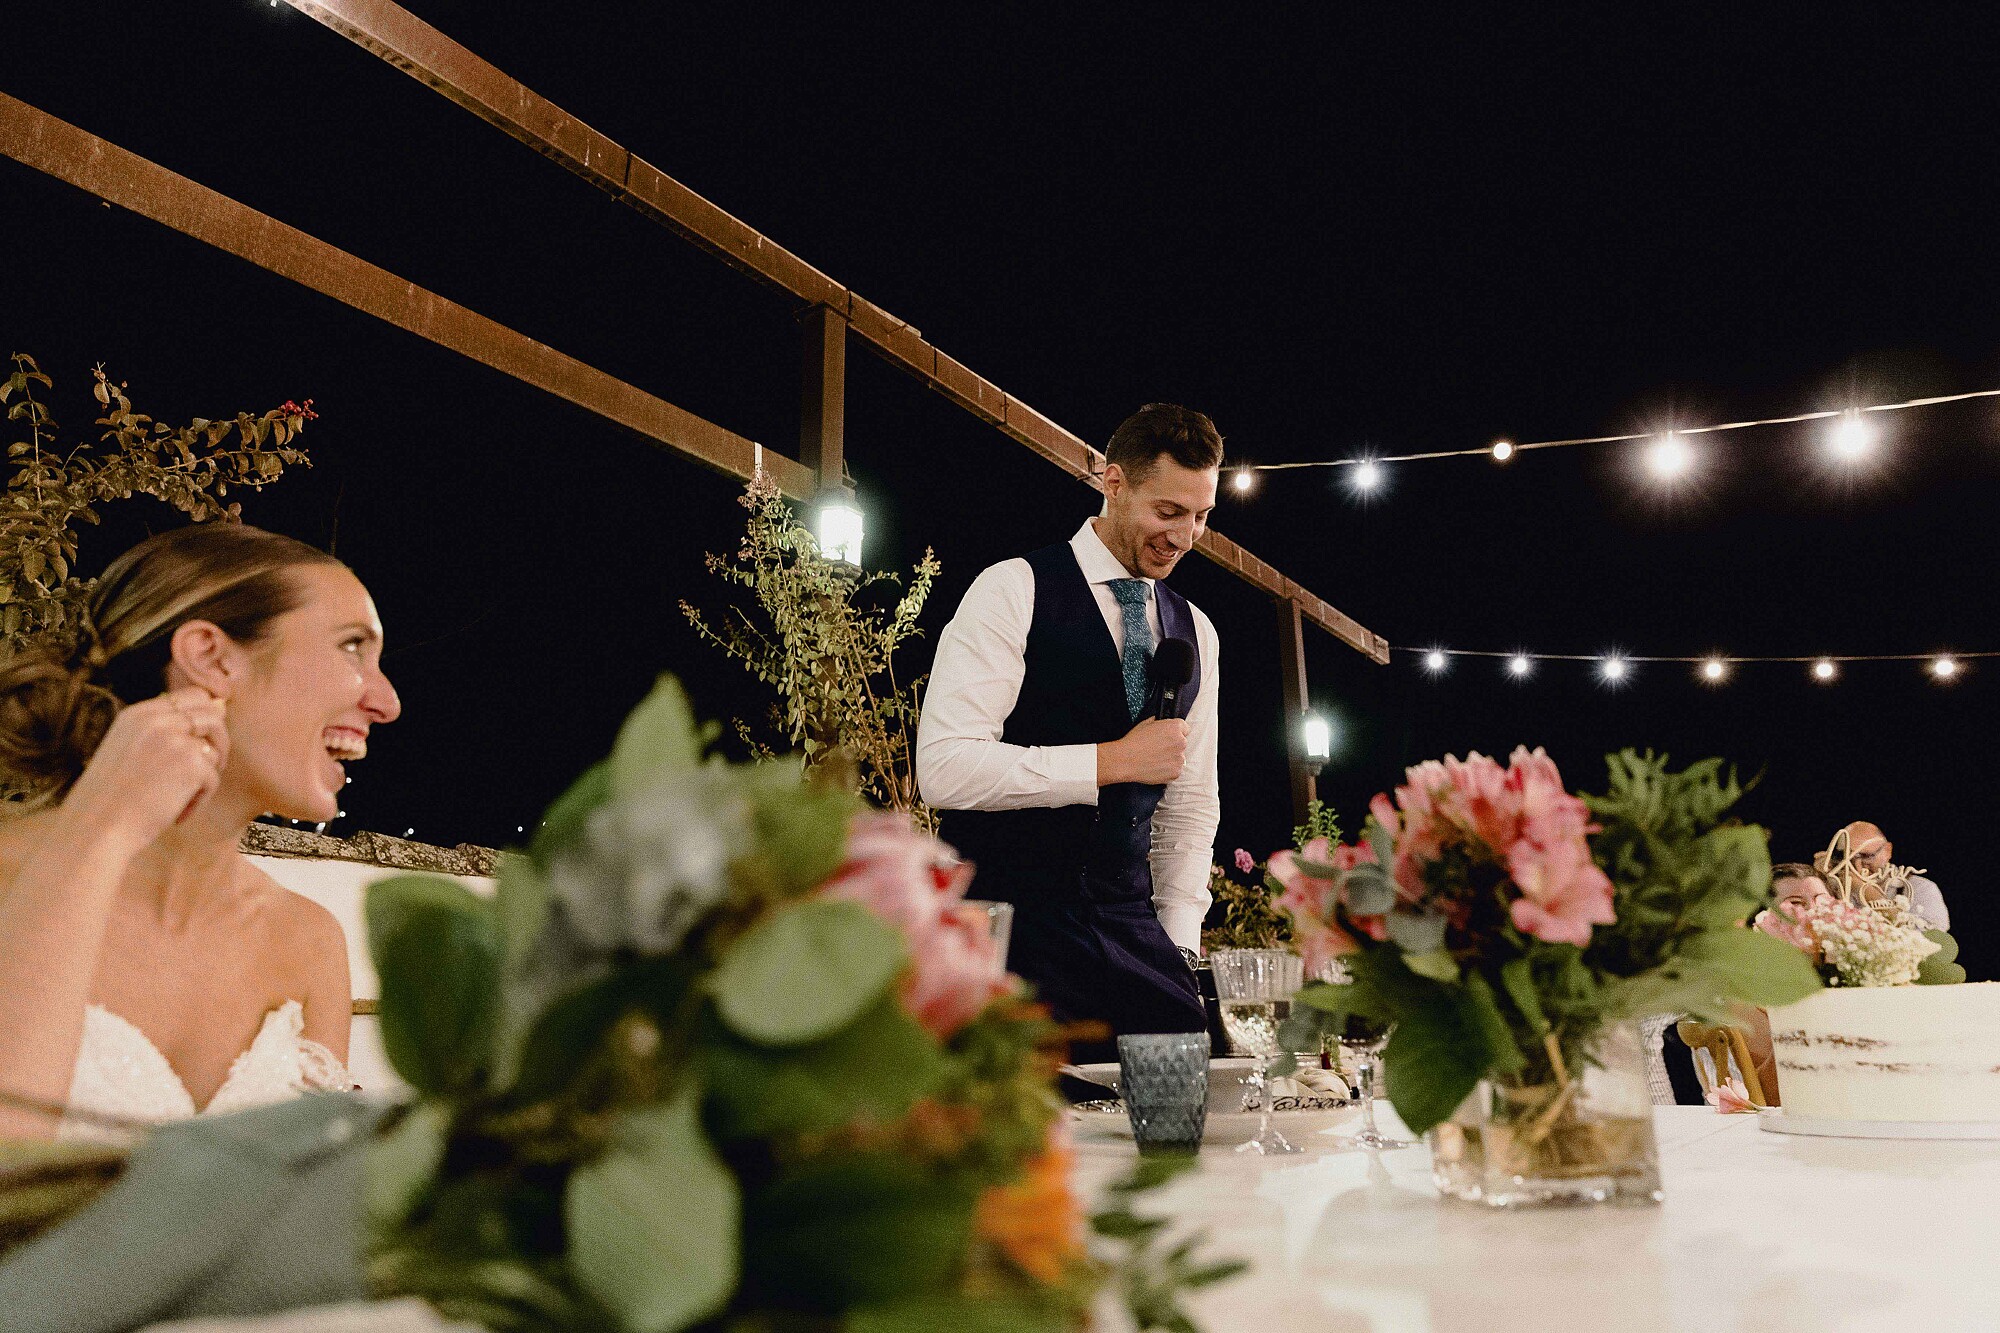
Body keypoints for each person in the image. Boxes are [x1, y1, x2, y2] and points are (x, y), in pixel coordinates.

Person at [0, 523, 401, 1139]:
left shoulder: (308, 942)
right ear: (213, 658)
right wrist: (99, 833)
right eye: (352, 648)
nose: (386, 701)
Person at [918, 403, 1222, 1060]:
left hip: (1138, 938)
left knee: (1179, 1131)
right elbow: (943, 767)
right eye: (1169, 512)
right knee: (1036, 1152)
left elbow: (1192, 804)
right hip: (1010, 936)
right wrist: (1109, 761)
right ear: (1114, 484)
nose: (1186, 536)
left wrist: (1178, 939)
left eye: (1201, 517)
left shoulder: (1199, 628)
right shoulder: (1011, 589)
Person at [1840, 821, 1948, 930]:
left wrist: (1866, 891)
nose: (1858, 867)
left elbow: (1934, 939)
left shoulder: (1921, 888)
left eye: (1867, 856)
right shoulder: (1835, 886)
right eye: (1850, 859)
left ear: (1887, 850)